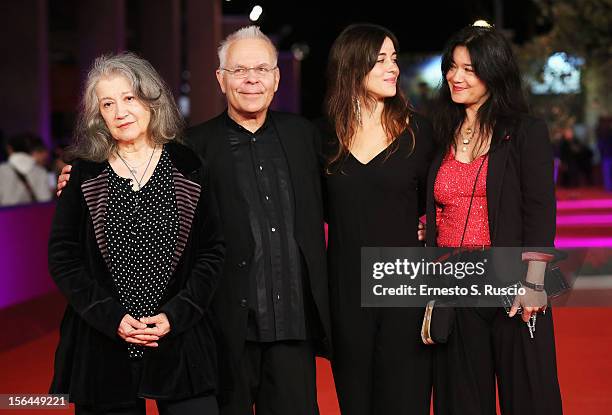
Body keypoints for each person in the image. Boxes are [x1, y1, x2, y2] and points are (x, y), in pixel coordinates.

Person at [48, 52, 225, 414]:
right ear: (98, 114)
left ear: (151, 99)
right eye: (107, 103)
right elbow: (63, 257)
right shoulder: (84, 173)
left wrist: (178, 314)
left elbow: (212, 250)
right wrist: (109, 317)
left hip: (180, 341)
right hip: (103, 346)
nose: (120, 111)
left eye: (129, 98)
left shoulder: (188, 166)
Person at [425, 23, 562, 414]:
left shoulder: (524, 132)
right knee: (461, 400)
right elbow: (440, 198)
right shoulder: (443, 130)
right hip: (456, 284)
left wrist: (535, 283)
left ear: (494, 71)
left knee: (529, 397)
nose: (455, 76)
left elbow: (539, 209)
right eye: (452, 66)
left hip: (513, 285)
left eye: (469, 69)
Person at [321, 24, 434, 414]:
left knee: (406, 400)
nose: (393, 68)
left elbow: (441, 202)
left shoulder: (421, 132)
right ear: (353, 66)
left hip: (404, 285)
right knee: (355, 402)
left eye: (394, 59)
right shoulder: (324, 137)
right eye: (381, 59)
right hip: (345, 289)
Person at [0, 132, 53, 205]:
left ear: (9, 149)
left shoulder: (2, 170)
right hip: (30, 215)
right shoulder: (40, 171)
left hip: (5, 215)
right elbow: (45, 200)